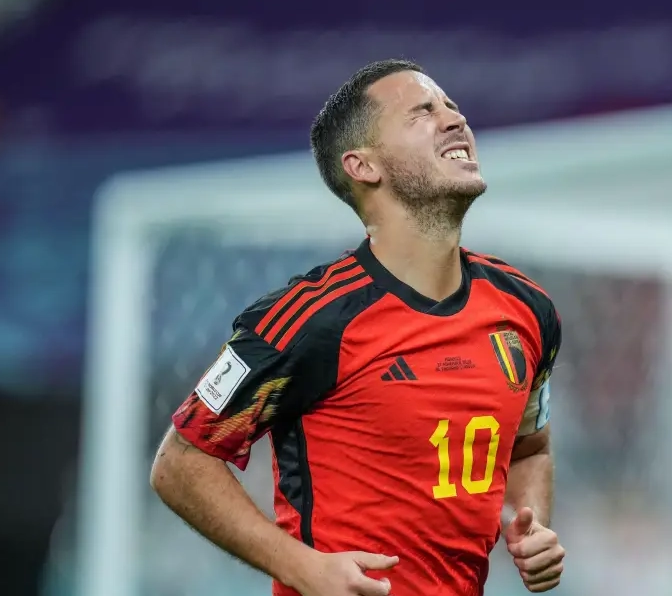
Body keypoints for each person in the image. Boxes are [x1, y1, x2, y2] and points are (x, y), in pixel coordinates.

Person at [150, 59, 565, 596]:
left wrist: (530, 526)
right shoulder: (311, 319)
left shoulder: (526, 309)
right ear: (363, 166)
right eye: (422, 112)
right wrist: (301, 566)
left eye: (452, 107)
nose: (454, 119)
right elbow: (181, 461)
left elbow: (529, 448)